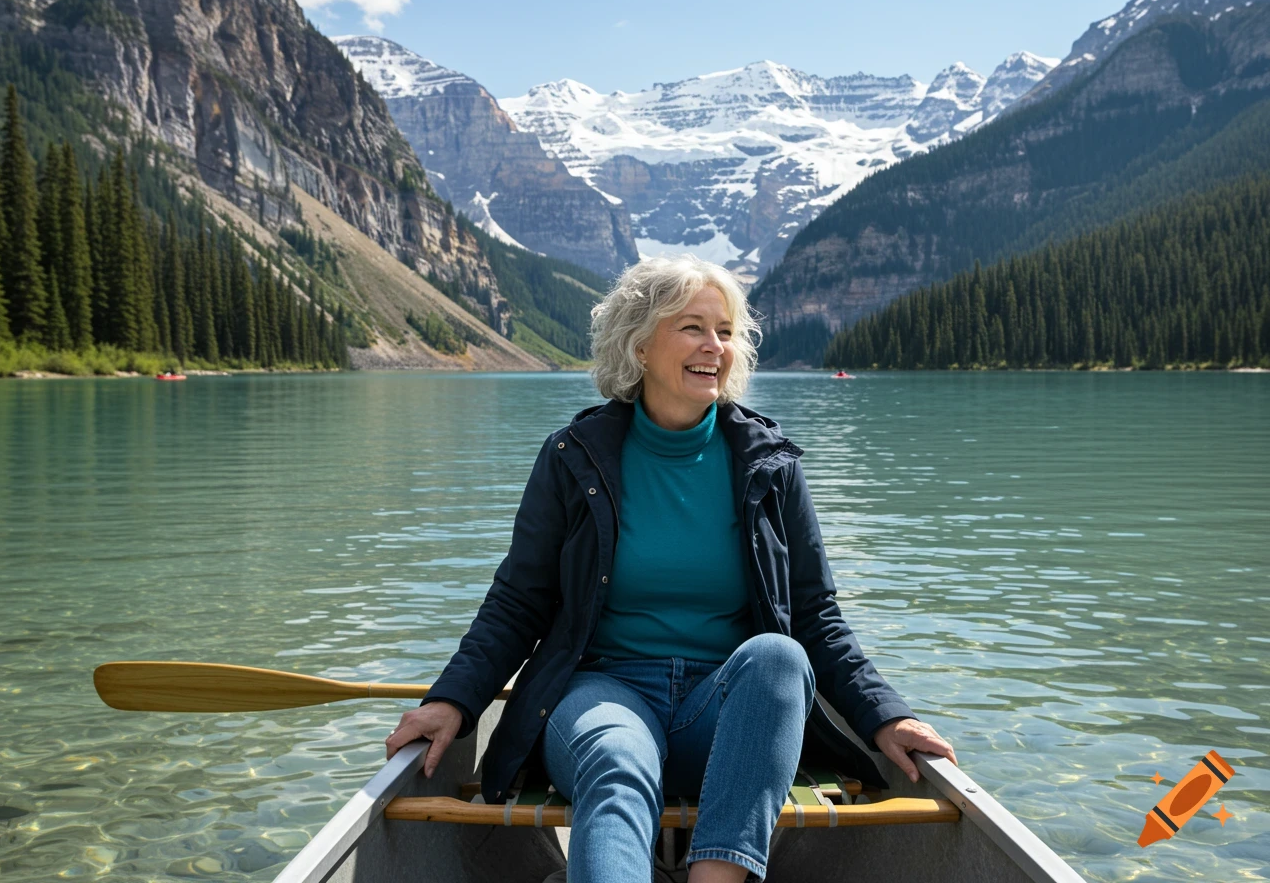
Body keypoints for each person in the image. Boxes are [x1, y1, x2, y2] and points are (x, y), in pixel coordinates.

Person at [386, 255, 956, 883]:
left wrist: (884, 714)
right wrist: (452, 700)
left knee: (779, 658)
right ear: (637, 342)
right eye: (692, 328)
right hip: (603, 693)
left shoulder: (771, 466)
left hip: (722, 721)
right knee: (616, 762)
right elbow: (518, 602)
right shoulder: (573, 459)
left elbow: (816, 616)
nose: (715, 346)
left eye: (726, 332)